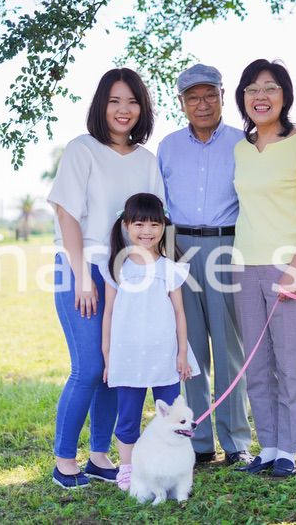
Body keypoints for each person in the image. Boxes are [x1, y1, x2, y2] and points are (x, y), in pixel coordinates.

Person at [47, 68, 163, 489]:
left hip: (127, 273)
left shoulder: (147, 161)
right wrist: (83, 277)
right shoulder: (82, 150)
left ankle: (99, 457)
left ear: (142, 108)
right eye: (114, 101)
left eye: (131, 101)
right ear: (101, 105)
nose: (123, 109)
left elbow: (155, 223)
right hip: (80, 268)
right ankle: (64, 461)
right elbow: (67, 216)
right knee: (90, 367)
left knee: (116, 365)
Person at [231, 59, 296, 477]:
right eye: (252, 89)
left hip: (288, 267)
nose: (261, 96)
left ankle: (289, 448)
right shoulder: (241, 148)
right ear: (243, 98)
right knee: (255, 363)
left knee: (289, 362)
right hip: (242, 265)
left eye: (270, 88)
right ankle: (268, 445)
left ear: (284, 96)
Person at [157, 64, 253, 465]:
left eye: (210, 95)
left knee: (229, 348)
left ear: (222, 96)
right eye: (193, 97)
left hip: (227, 246)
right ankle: (197, 443)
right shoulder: (167, 147)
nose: (202, 104)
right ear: (181, 103)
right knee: (190, 349)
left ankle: (235, 442)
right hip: (179, 249)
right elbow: (160, 204)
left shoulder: (243, 143)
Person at [100, 193, 200, 491]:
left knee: (172, 416)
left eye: (154, 224)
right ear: (126, 225)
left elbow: (179, 313)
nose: (147, 230)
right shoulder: (117, 266)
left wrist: (182, 353)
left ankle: (171, 468)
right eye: (139, 224)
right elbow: (108, 313)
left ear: (164, 227)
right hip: (127, 355)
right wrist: (108, 356)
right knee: (128, 417)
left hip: (164, 354)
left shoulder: (170, 267)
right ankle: (128, 469)